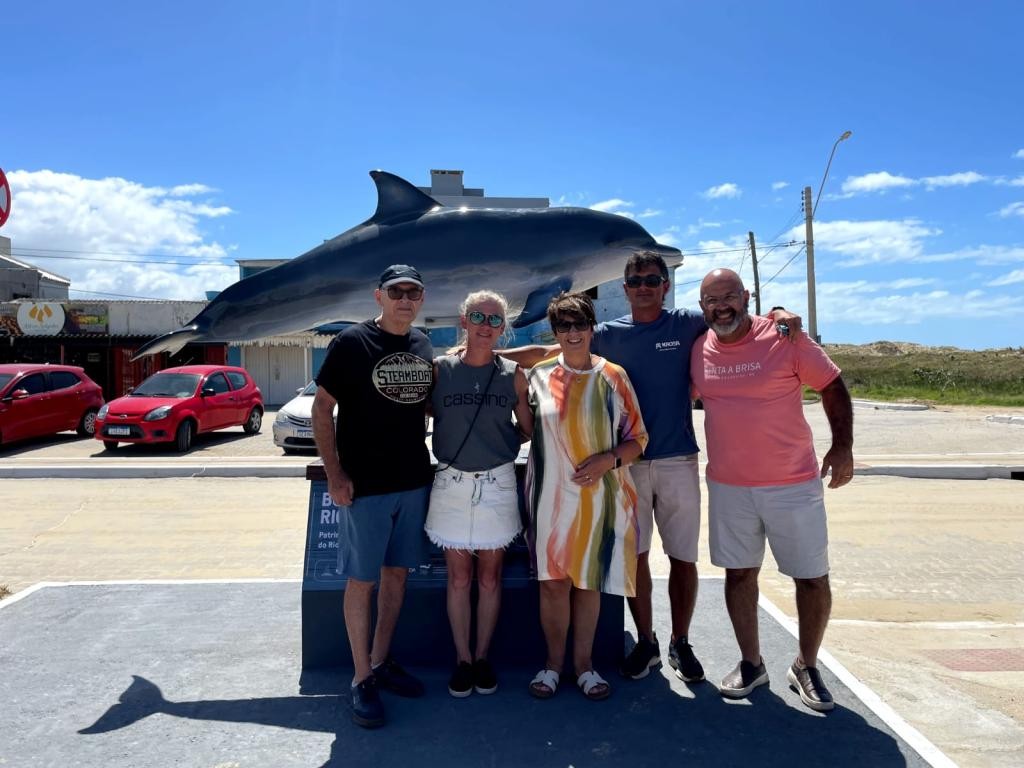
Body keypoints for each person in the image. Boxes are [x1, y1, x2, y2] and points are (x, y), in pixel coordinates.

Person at [503, 251, 800, 685]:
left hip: (677, 457)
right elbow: (550, 350)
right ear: (624, 289)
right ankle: (646, 640)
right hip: (629, 469)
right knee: (636, 556)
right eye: (635, 280)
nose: (643, 286)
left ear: (664, 284)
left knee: (682, 558)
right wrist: (489, 351)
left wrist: (778, 312)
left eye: (652, 278)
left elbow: (737, 317)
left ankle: (681, 640)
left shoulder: (687, 323)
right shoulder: (604, 334)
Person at [690, 268, 853, 712]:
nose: (721, 306)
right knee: (739, 574)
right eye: (711, 300)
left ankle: (806, 664)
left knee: (811, 578)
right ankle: (751, 662)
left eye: (729, 297)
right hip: (729, 486)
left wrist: (842, 447)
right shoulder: (697, 347)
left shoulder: (786, 337)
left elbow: (832, 386)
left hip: (793, 485)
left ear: (746, 297)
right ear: (701, 306)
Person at [312, 264, 434, 729]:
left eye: (414, 292)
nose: (405, 298)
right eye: (396, 291)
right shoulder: (351, 343)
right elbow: (324, 409)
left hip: (413, 480)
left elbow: (426, 405)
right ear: (378, 296)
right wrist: (335, 473)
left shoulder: (423, 345)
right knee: (362, 581)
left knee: (397, 576)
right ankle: (361, 677)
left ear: (421, 300)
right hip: (364, 487)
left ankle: (382, 661)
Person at [525, 292, 648, 702]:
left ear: (592, 327)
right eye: (564, 326)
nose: (573, 332)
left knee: (588, 584)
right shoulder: (538, 376)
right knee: (552, 586)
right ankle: (552, 664)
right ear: (555, 333)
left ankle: (584, 666)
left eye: (580, 324)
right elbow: (526, 430)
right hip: (548, 500)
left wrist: (607, 459)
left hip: (599, 499)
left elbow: (638, 440)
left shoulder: (614, 376)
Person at [425, 290, 533, 698]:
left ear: (502, 329)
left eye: (493, 320)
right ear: (463, 321)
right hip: (451, 482)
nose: (485, 326)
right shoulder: (439, 370)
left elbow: (527, 427)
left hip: (497, 482)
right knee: (458, 578)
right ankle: (462, 660)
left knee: (489, 579)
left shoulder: (513, 374)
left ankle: (482, 657)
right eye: (478, 317)